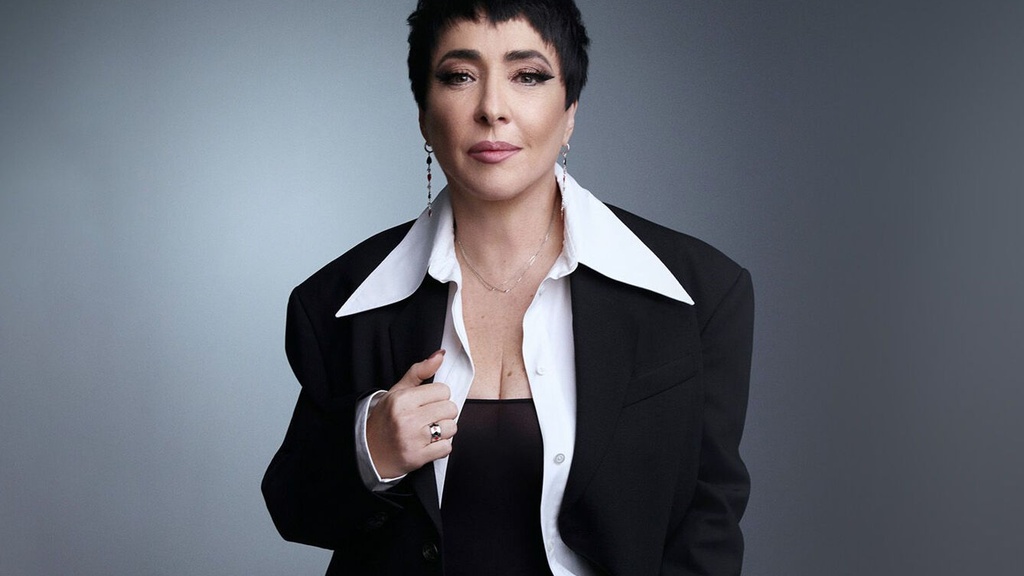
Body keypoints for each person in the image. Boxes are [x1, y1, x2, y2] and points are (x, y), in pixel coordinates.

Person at [262, 1, 754, 574]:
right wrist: (371, 450)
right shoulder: (339, 303)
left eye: (528, 76)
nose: (492, 108)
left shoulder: (698, 294)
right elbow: (296, 511)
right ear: (423, 114)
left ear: (570, 111)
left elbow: (708, 527)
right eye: (459, 76)